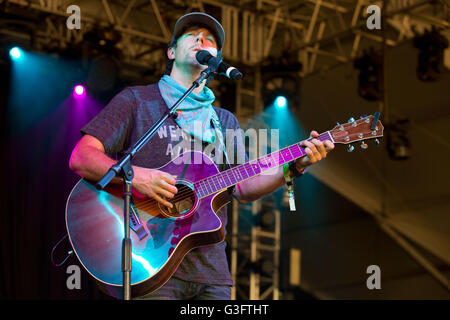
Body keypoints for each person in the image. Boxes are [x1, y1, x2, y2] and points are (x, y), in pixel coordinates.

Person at [68, 12, 334, 300]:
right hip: (150, 266)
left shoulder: (224, 121)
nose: (201, 40)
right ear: (171, 51)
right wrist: (137, 178)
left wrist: (293, 166)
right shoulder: (137, 100)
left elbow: (242, 187)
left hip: (212, 275)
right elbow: (82, 157)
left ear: (216, 58)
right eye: (192, 34)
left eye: (209, 39)